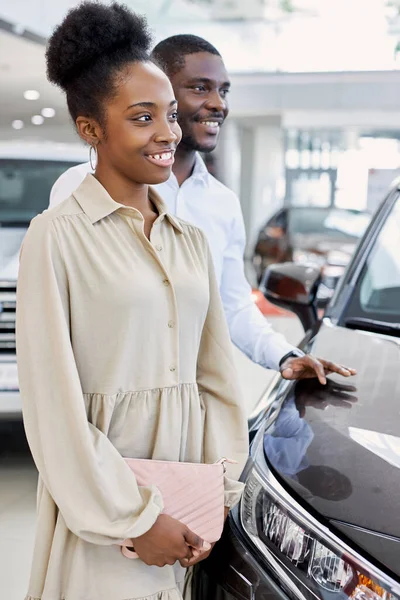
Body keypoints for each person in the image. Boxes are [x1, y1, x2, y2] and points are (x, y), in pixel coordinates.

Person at [16, 4, 248, 600]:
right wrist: (136, 519)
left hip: (193, 507)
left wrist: (218, 489)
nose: (168, 133)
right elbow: (52, 404)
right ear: (92, 129)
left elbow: (216, 378)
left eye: (170, 114)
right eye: (143, 118)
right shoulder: (57, 235)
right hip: (102, 502)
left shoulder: (190, 239)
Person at [50, 33, 356, 386]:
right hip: (105, 401)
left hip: (191, 403)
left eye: (223, 91)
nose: (218, 104)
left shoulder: (222, 203)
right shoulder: (81, 187)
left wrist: (286, 356)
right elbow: (57, 320)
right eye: (200, 88)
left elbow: (232, 305)